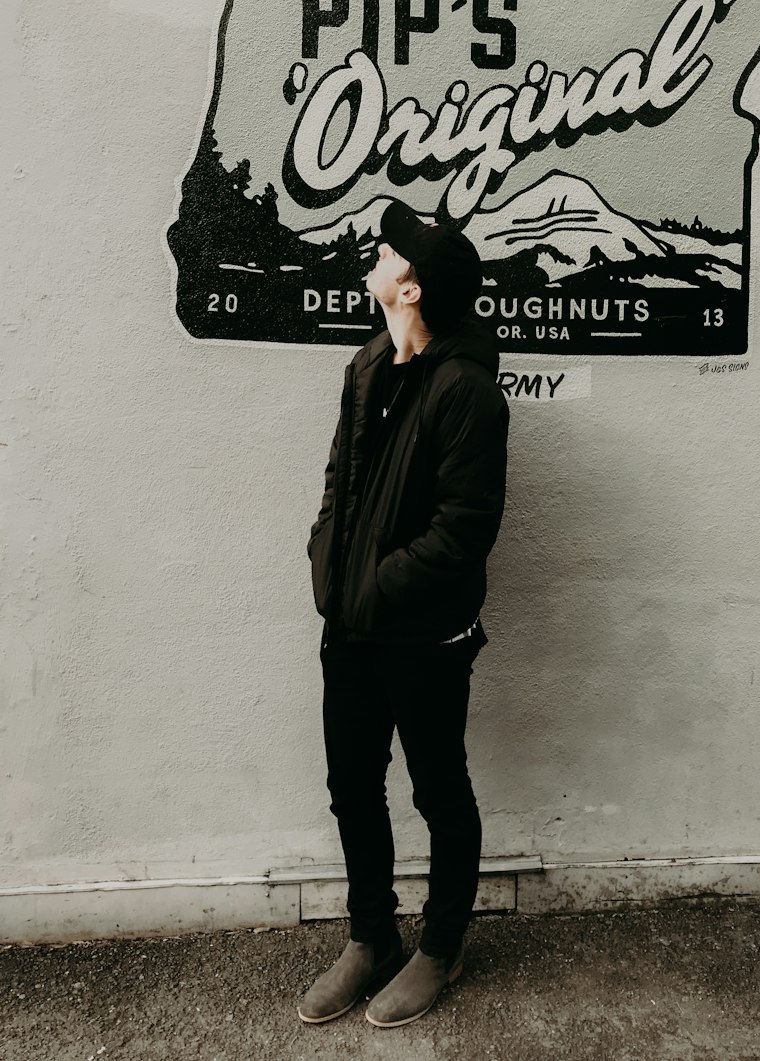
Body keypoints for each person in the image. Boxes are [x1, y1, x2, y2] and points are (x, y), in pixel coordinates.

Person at [297, 202, 510, 1029]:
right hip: (348, 626)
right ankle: (371, 936)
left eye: (387, 251)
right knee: (351, 785)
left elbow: (464, 531)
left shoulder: (469, 394)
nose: (373, 253)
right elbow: (336, 485)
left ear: (410, 286)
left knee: (438, 789)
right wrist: (328, 562)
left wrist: (377, 583)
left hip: (426, 635)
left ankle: (441, 945)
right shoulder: (365, 364)